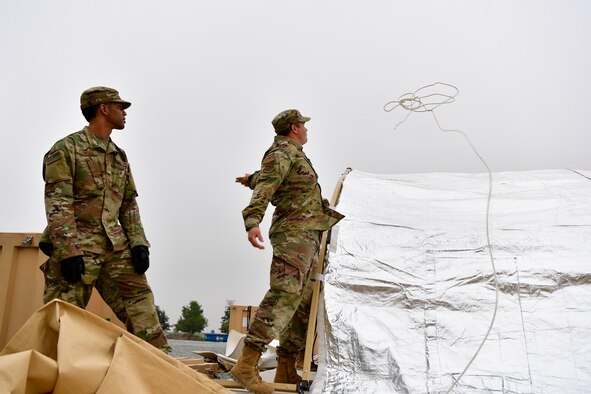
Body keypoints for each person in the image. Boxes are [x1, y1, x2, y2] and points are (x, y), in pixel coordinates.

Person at [39, 86, 170, 352]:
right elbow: (58, 202)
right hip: (78, 246)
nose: (124, 113)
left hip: (115, 246)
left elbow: (128, 203)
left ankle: (160, 367)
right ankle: (49, 376)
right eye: (120, 107)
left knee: (141, 302)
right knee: (62, 318)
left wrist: (138, 243)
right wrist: (68, 251)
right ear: (103, 109)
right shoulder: (66, 149)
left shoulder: (119, 156)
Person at [232, 109, 344, 393]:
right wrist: (252, 220)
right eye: (304, 125)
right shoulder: (281, 152)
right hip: (293, 235)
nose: (307, 129)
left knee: (302, 302)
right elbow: (269, 185)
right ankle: (247, 363)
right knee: (283, 295)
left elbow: (273, 178)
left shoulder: (291, 153)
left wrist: (251, 178)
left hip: (307, 237)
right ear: (295, 127)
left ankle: (285, 365)